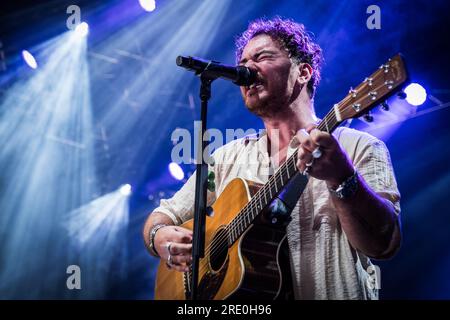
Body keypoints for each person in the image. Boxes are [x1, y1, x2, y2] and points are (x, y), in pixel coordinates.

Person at [143, 17, 402, 300]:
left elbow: (383, 244)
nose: (246, 68)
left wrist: (342, 178)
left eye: (262, 57)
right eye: (243, 61)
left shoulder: (358, 148)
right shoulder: (226, 158)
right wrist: (159, 237)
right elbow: (164, 214)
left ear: (303, 72)